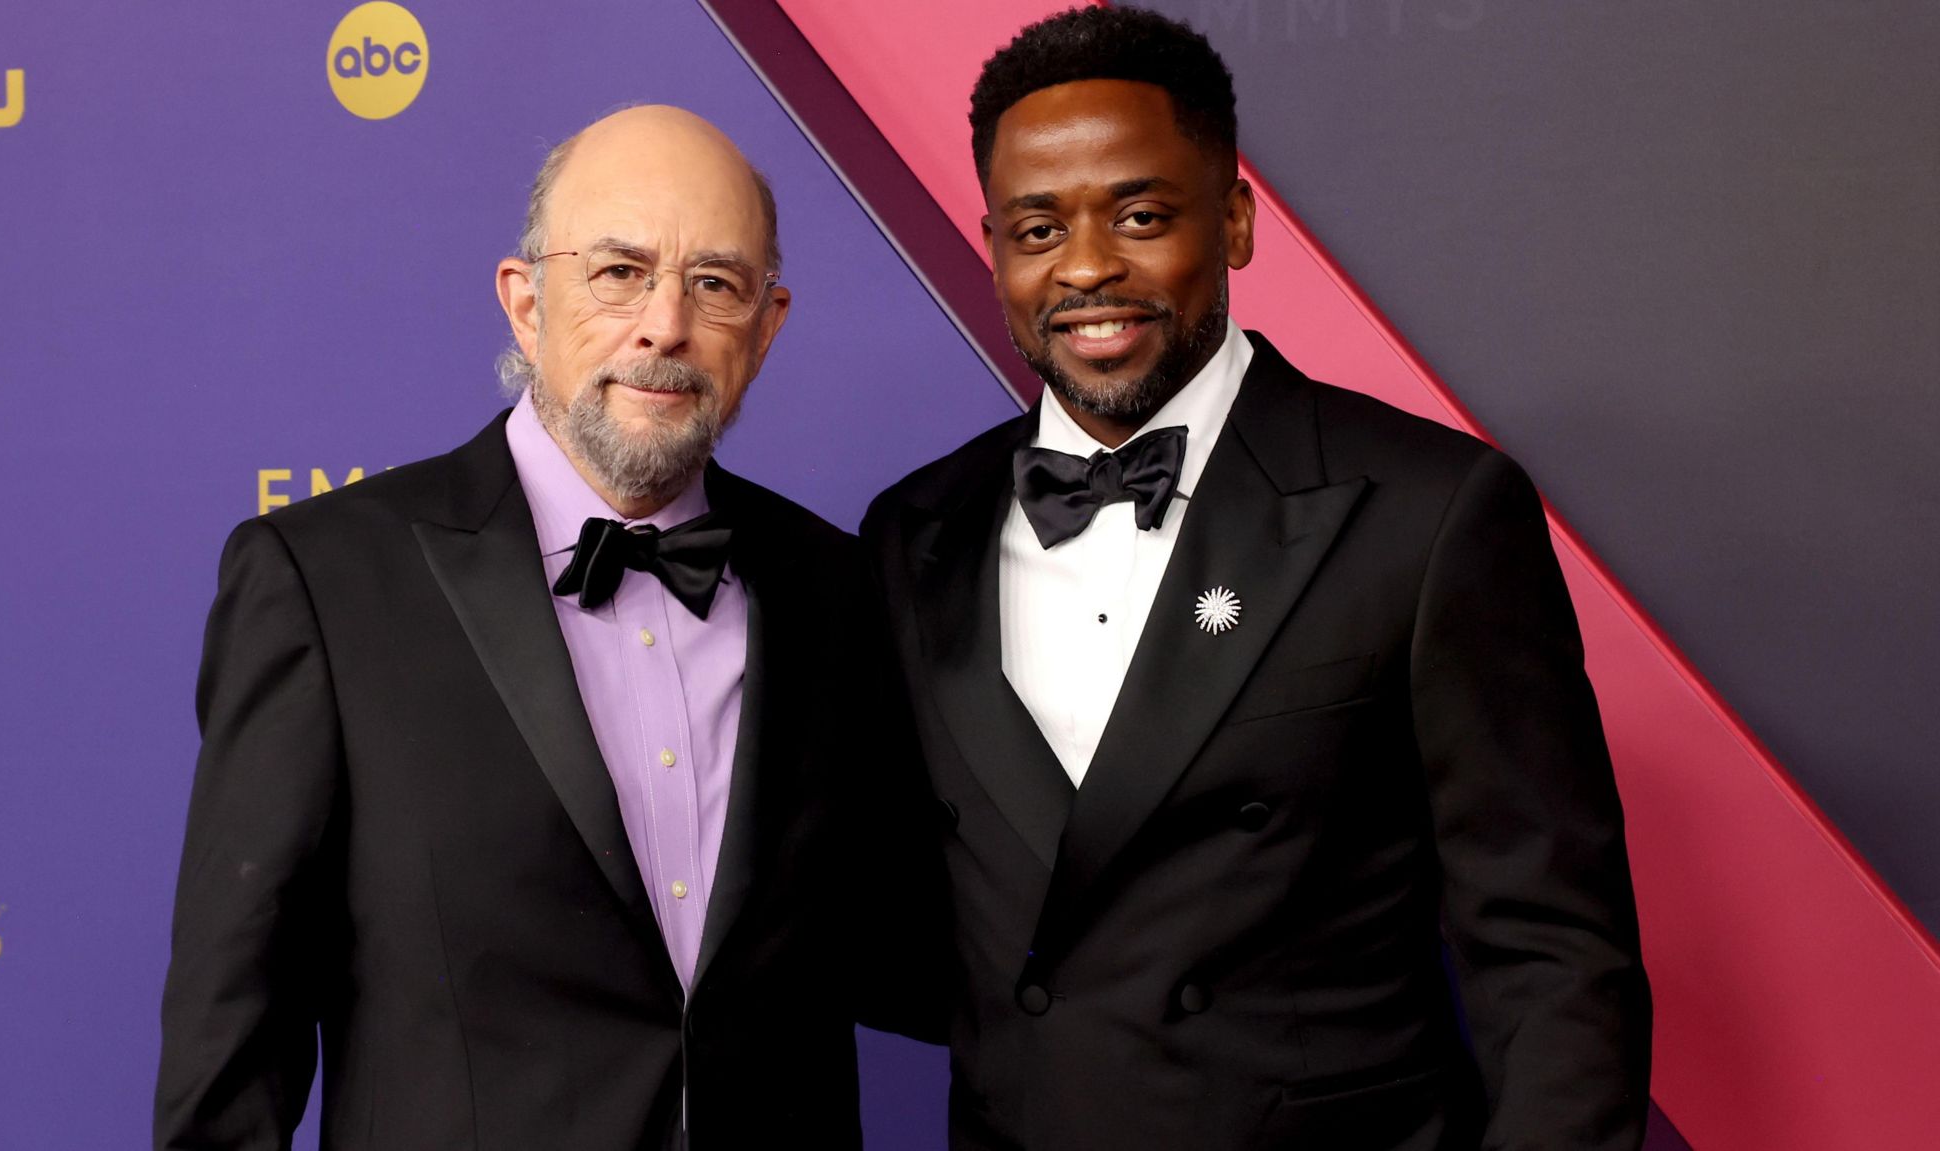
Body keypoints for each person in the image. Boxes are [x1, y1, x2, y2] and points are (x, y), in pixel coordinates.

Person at [861, 9, 1652, 1149]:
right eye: (1038, 228)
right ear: (993, 245)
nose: (1085, 267)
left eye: (1139, 215)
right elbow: (895, 918)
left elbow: (1551, 955)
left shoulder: (1428, 512)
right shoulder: (912, 534)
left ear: (1230, 221)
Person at [155, 105, 940, 1150]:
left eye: (713, 282)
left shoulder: (840, 586)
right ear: (525, 304)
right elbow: (230, 1037)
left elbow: (906, 953)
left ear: (768, 322)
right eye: (617, 271)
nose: (664, 325)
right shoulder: (324, 581)